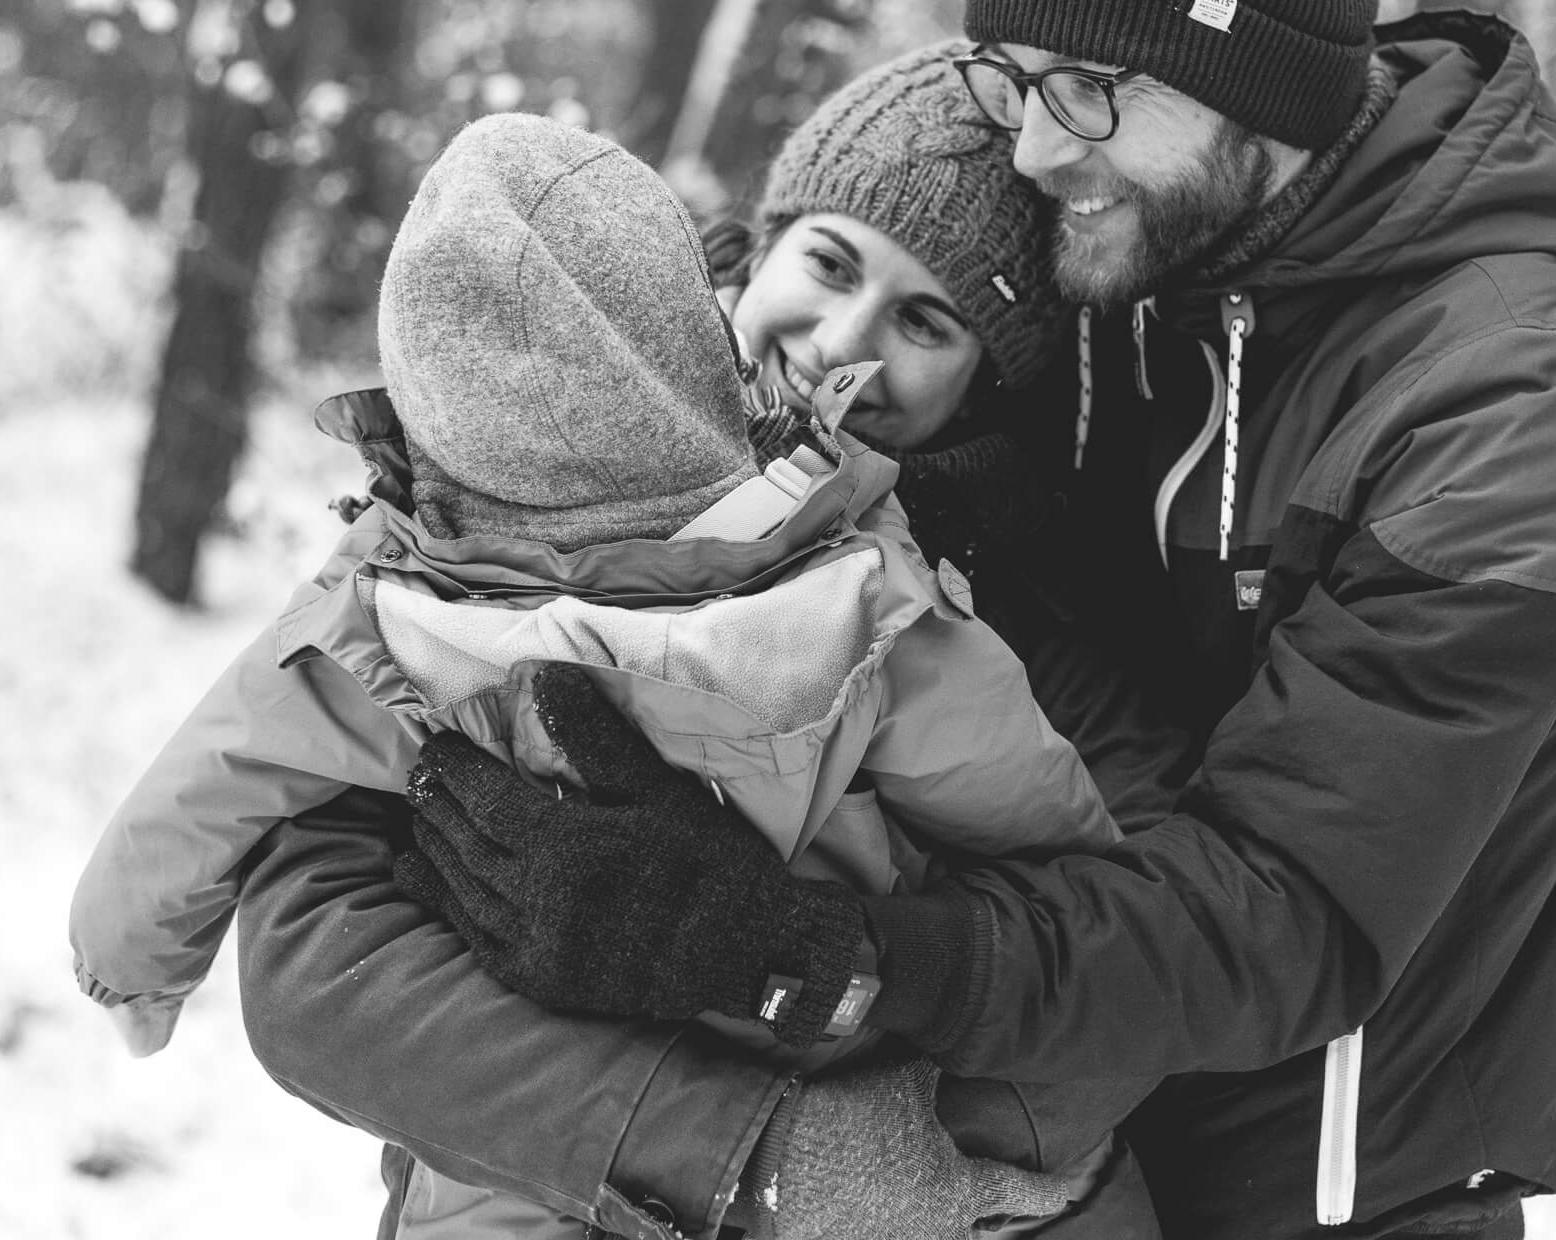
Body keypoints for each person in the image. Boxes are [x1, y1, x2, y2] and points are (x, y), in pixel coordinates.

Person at [395, 0, 1556, 1240]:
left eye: (1088, 89)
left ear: (1246, 78)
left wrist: (811, 955)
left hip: (1328, 1187)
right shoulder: (1142, 253)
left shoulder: (1511, 398)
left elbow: (1295, 908)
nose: (1038, 142)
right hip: (1044, 1150)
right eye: (1014, 81)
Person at [67, 106, 1154, 1239]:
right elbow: (314, 964)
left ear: (991, 375)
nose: (841, 341)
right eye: (829, 262)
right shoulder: (869, 589)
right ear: (737, 255)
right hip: (579, 1149)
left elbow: (1113, 959)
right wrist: (759, 1149)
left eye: (926, 321)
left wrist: (126, 967)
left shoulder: (407, 600)